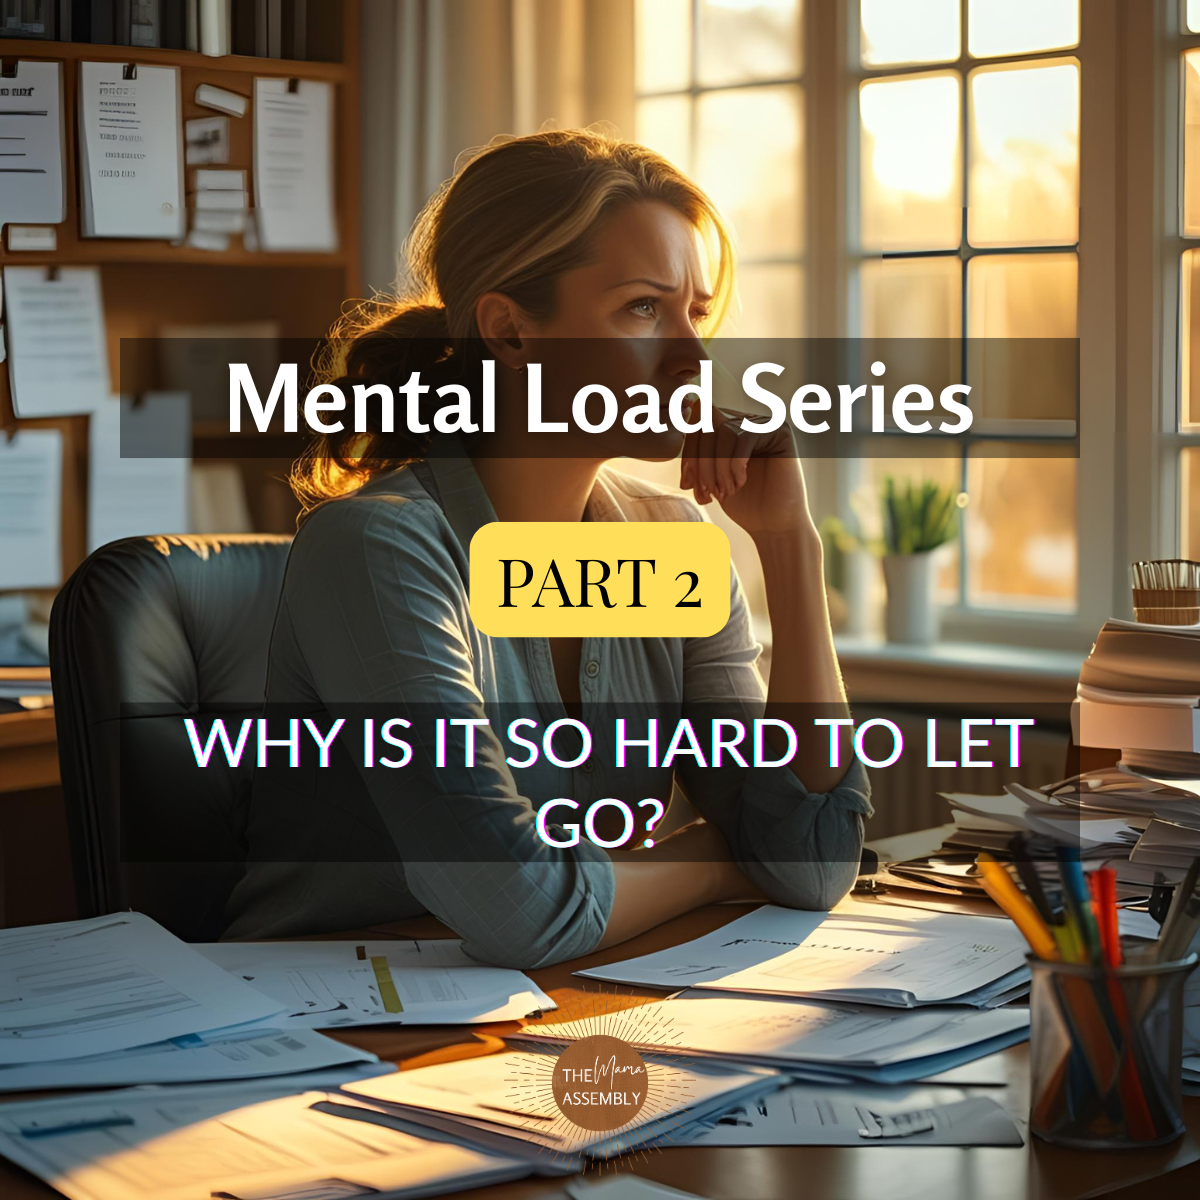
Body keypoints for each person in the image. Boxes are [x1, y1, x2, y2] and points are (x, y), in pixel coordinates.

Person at [223, 129, 871, 966]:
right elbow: (519, 910)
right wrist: (717, 861)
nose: (693, 356)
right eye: (643, 308)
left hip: (546, 1004)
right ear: (513, 333)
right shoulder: (378, 547)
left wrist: (791, 549)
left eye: (695, 313)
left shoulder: (672, 539)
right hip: (329, 1021)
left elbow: (810, 861)